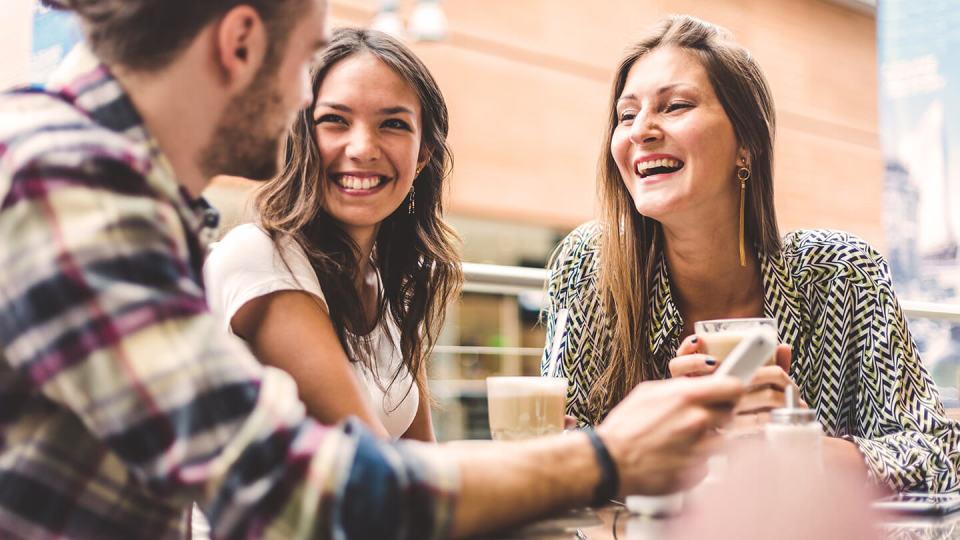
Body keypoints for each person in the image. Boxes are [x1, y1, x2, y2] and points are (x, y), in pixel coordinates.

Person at [0, 2, 745, 538]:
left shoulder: (118, 188)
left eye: (393, 124)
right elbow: (301, 495)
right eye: (308, 73)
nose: (302, 104)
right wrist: (606, 456)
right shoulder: (67, 184)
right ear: (240, 42)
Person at [541, 14, 960, 494]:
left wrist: (799, 445)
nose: (641, 131)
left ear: (747, 143)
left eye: (675, 106)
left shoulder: (842, 273)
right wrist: (652, 438)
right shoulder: (587, 266)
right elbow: (558, 452)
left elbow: (941, 454)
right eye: (627, 115)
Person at [204, 28, 461, 443]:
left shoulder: (393, 285)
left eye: (393, 124)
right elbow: (381, 468)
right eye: (334, 121)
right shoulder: (261, 259)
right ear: (299, 135)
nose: (362, 148)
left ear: (422, 157)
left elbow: (420, 459)